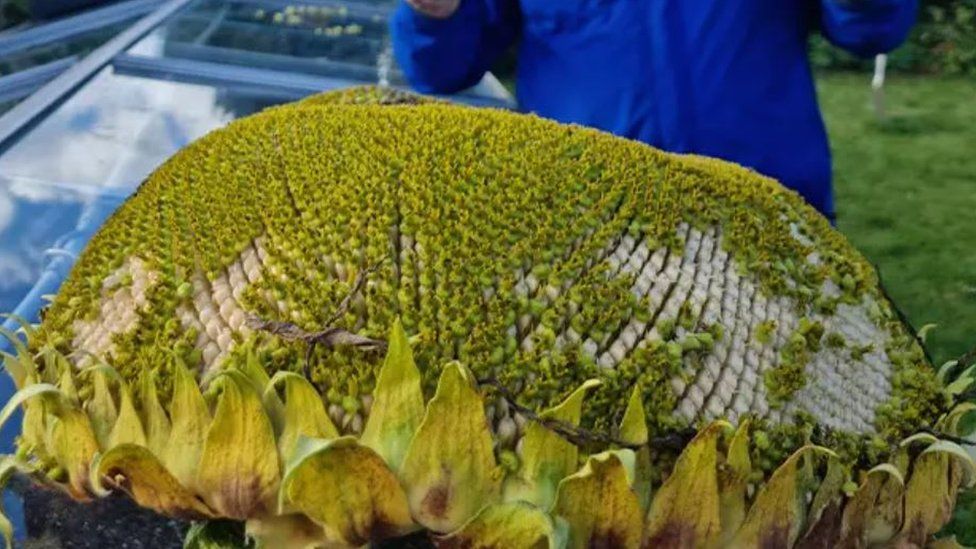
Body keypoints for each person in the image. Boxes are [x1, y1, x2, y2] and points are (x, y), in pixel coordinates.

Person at [390, 0, 917, 221]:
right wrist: (435, 11)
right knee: (605, 434)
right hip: (590, 220)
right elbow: (442, 68)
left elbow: (871, 29)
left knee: (788, 427)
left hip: (768, 208)